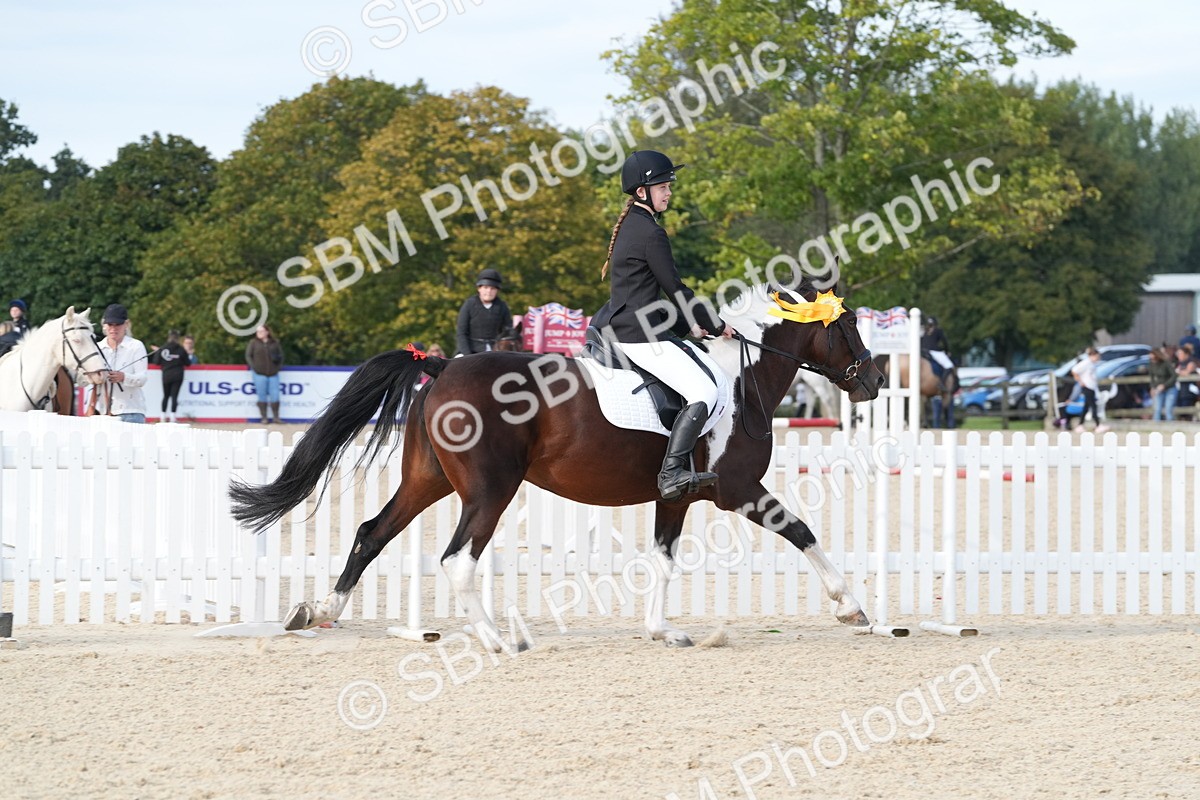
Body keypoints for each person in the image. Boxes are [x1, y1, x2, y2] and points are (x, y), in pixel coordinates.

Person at [591, 150, 735, 501]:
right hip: (638, 335)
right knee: (704, 391)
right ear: (642, 192)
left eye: (669, 184)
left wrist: (690, 328)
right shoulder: (651, 233)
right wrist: (716, 326)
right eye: (662, 185)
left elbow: (656, 292)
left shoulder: (633, 225)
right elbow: (675, 288)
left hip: (626, 326)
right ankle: (671, 473)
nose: (669, 191)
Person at [89, 304, 149, 424]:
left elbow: (142, 378)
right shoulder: (97, 348)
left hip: (131, 411)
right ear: (104, 325)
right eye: (110, 324)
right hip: (103, 412)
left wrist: (124, 377)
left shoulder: (136, 346)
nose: (113, 328)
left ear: (126, 325)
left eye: (118, 325)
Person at [455, 269, 513, 355]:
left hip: (496, 351)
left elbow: (507, 331)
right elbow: (461, 333)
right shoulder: (469, 304)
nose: (489, 291)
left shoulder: (502, 306)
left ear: (497, 290)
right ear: (479, 288)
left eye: (492, 288)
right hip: (470, 350)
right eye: (485, 288)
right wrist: (467, 355)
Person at [245, 324, 284, 423]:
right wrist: (254, 367)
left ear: (267, 332)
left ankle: (276, 417)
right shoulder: (253, 343)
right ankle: (264, 417)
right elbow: (248, 355)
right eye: (258, 331)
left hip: (273, 373)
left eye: (261, 331)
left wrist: (277, 367)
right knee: (261, 395)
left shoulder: (274, 343)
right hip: (259, 373)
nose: (259, 333)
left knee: (275, 395)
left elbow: (281, 356)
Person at [149, 329, 189, 423]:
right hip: (178, 375)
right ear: (178, 338)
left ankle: (162, 416)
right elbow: (188, 363)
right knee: (174, 396)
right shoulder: (181, 349)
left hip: (166, 375)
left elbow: (156, 362)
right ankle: (173, 417)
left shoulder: (163, 348)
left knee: (166, 396)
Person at [1070, 346, 1108, 433]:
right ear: (1093, 355)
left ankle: (1080, 425)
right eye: (1097, 356)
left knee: (1086, 407)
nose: (1098, 358)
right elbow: (1074, 370)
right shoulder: (1086, 363)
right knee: (1093, 406)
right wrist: (1080, 381)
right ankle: (1098, 425)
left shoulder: (1092, 364)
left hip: (1091, 387)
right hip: (1087, 387)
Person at [1148, 347, 1178, 422]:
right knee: (1157, 409)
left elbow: (1174, 376)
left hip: (1170, 388)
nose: (1152, 360)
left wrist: (1165, 385)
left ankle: (1170, 428)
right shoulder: (1151, 364)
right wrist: (1152, 387)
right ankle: (1155, 429)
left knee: (1168, 409)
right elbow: (1151, 377)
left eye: (1154, 358)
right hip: (1158, 389)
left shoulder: (1166, 363)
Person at [921, 315, 954, 380]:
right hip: (934, 351)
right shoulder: (938, 330)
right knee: (949, 365)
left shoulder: (923, 331)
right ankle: (942, 383)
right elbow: (944, 342)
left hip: (922, 351)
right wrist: (947, 351)